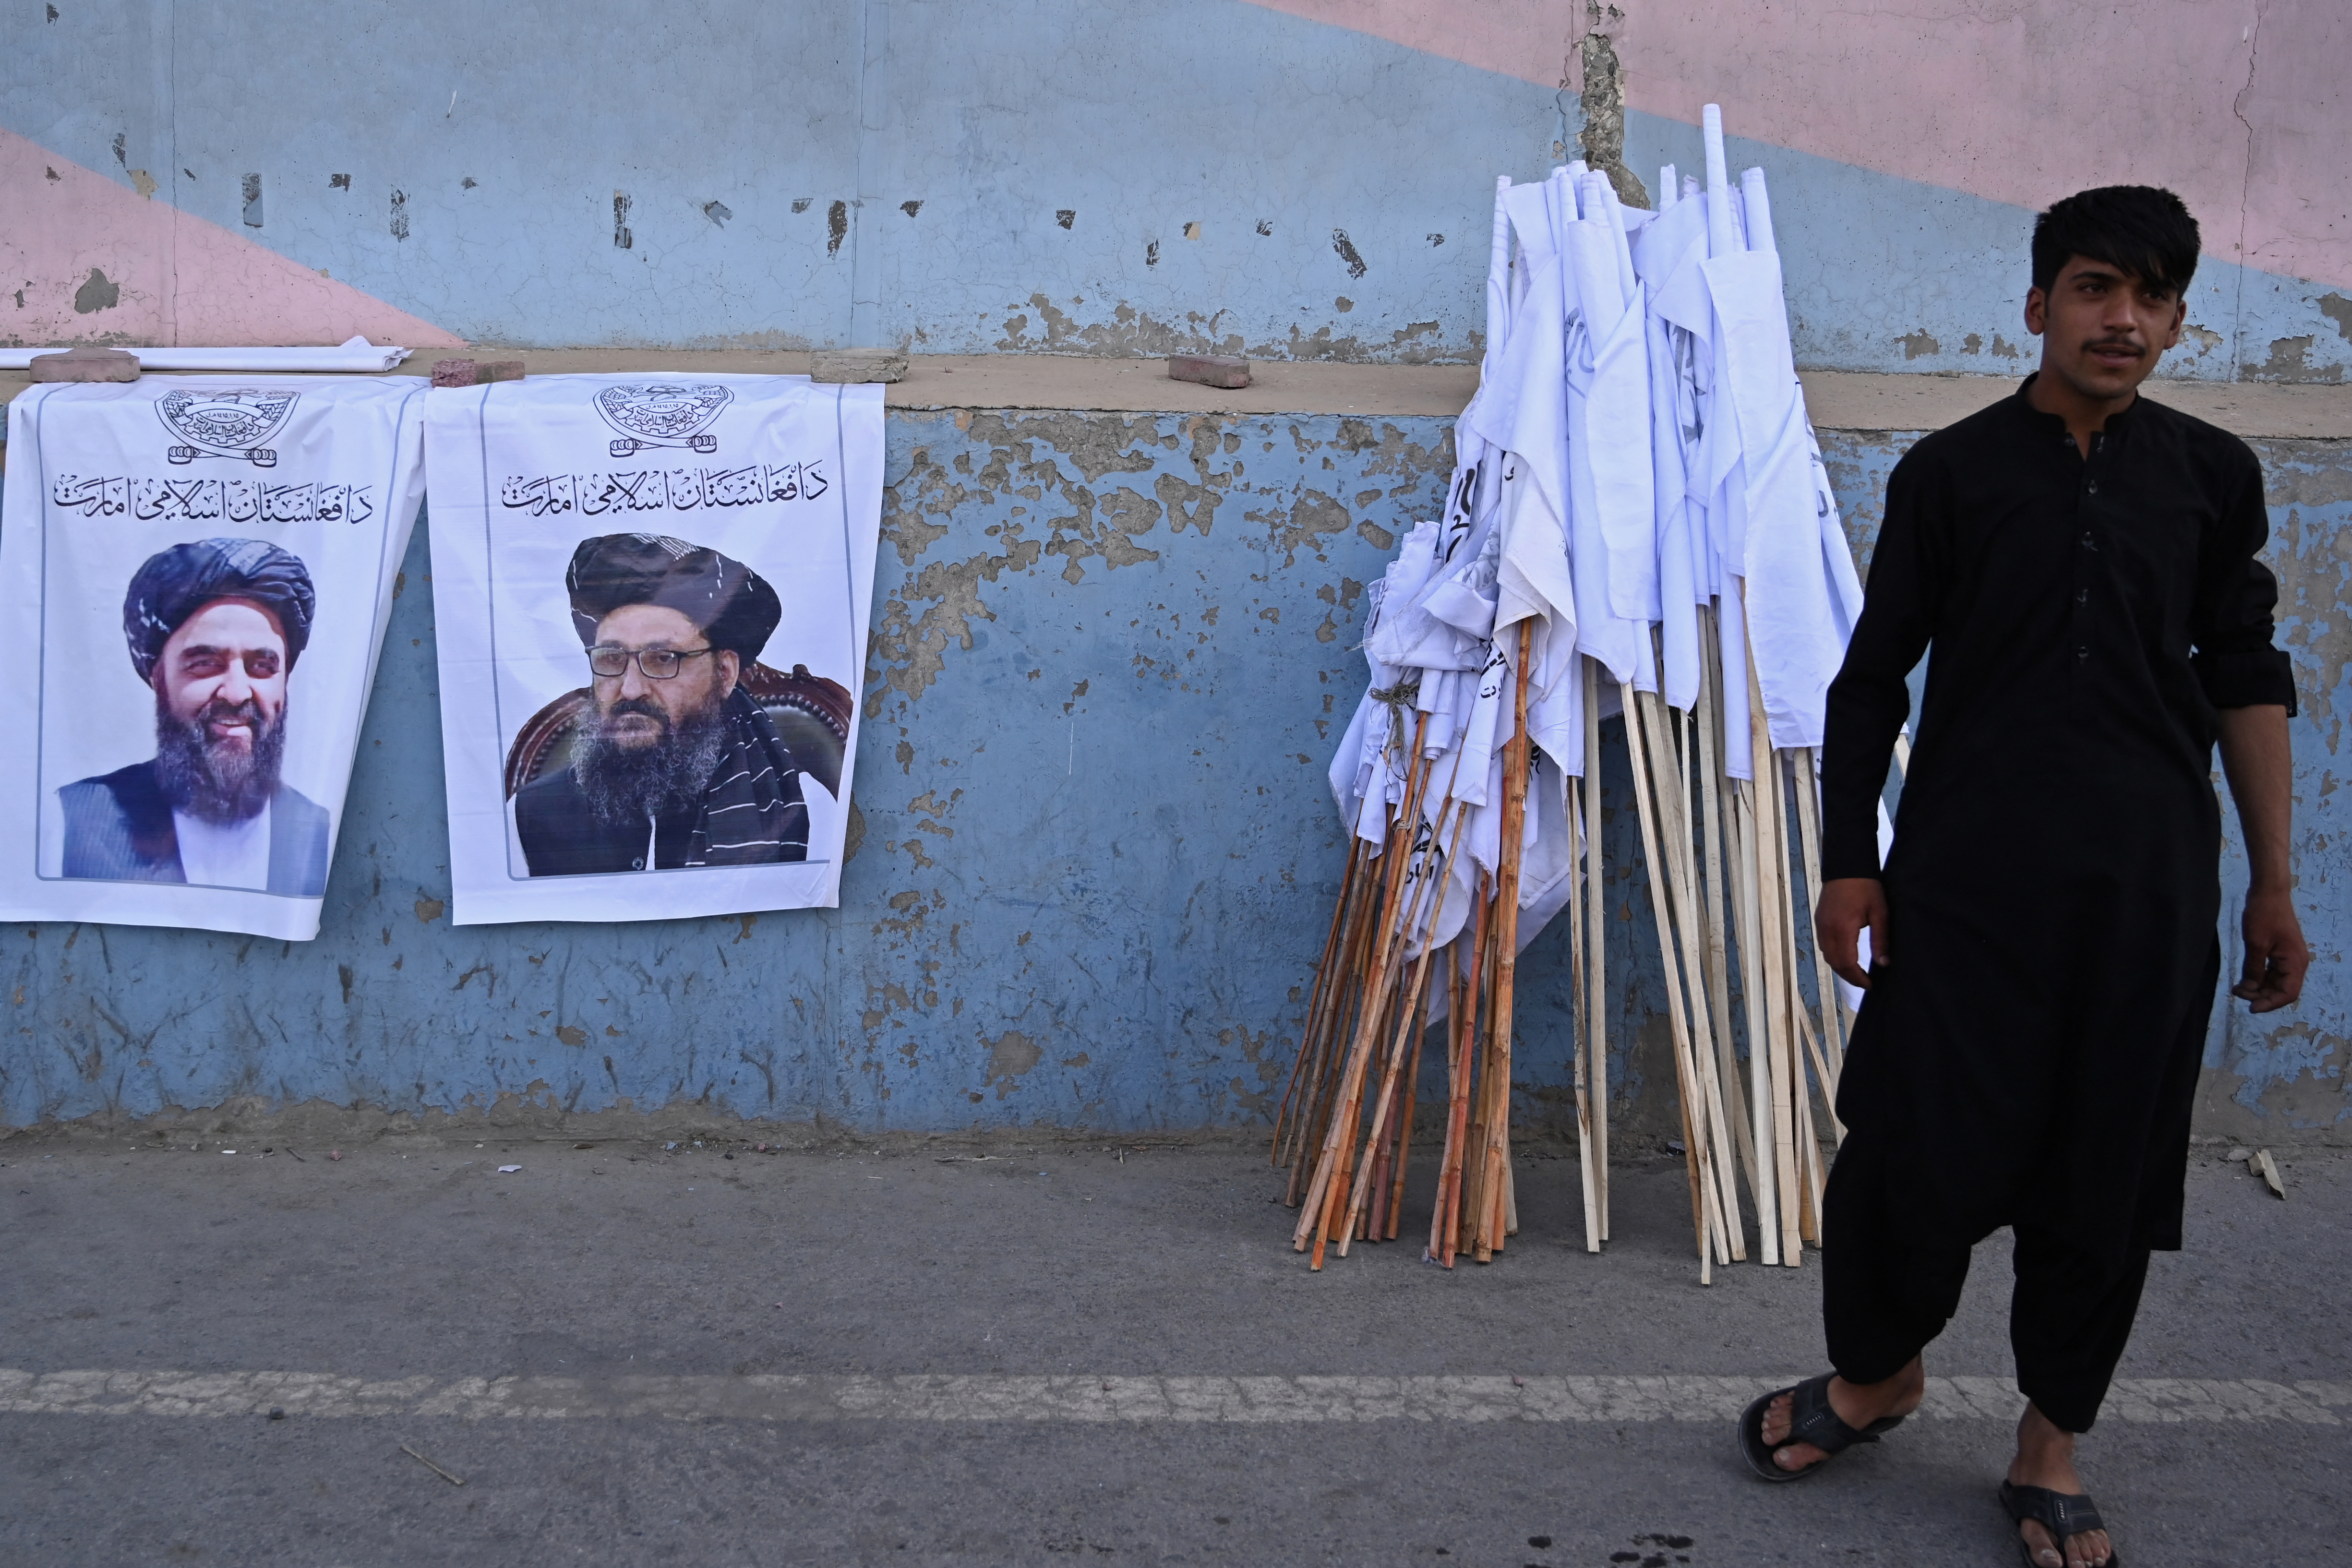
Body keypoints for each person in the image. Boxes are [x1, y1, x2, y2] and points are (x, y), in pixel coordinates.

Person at [1738, 186, 2309, 1568]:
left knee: (2102, 1171)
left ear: (2177, 320)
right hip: (1964, 886)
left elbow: (2244, 677)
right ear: (2038, 302)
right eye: (2096, 286)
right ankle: (1877, 1375)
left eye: (2152, 297)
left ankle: (2049, 1441)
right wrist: (1847, 863)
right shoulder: (1950, 475)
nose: (2122, 319)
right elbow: (1871, 678)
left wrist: (2272, 885)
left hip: (2143, 890)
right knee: (1904, 1152)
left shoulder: (2210, 476)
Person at [514, 532, 808, 876]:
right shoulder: (534, 813)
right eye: (611, 658)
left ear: (725, 674)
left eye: (663, 659)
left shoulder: (798, 808)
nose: (631, 689)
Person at [58, 538, 332, 897]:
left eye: (262, 667)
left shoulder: (323, 833)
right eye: (205, 664)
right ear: (158, 676)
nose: (237, 692)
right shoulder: (69, 821)